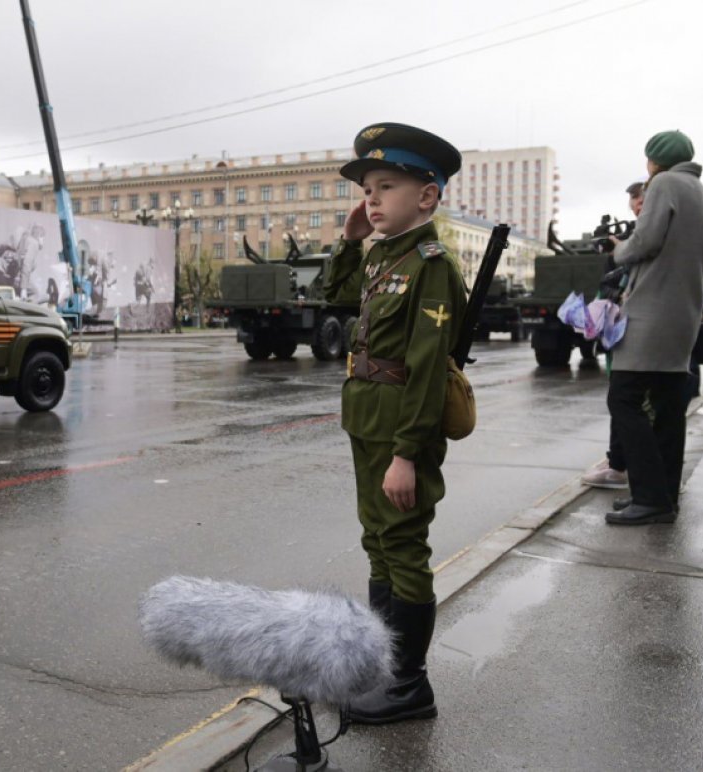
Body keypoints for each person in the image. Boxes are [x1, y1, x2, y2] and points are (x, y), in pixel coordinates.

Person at [322, 123, 466, 724]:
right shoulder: (386, 255)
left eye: (385, 186)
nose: (371, 199)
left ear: (426, 197)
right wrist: (351, 240)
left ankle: (409, 684)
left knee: (403, 548)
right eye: (366, 188)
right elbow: (334, 296)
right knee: (378, 544)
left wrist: (408, 452)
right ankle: (385, 667)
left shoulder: (430, 265)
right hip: (367, 419)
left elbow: (430, 369)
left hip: (400, 428)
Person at [604, 130, 703, 526]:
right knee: (668, 409)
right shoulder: (701, 191)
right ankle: (664, 496)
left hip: (651, 314)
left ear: (654, 159)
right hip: (682, 315)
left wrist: (619, 248)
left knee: (624, 399)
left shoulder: (664, 182)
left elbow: (645, 241)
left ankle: (649, 497)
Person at [582, 180, 645, 489]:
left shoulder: (649, 235)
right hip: (616, 331)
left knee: (628, 401)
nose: (637, 203)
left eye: (641, 197)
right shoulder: (632, 237)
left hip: (641, 331)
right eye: (633, 199)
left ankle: (620, 465)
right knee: (621, 398)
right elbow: (610, 281)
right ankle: (618, 460)